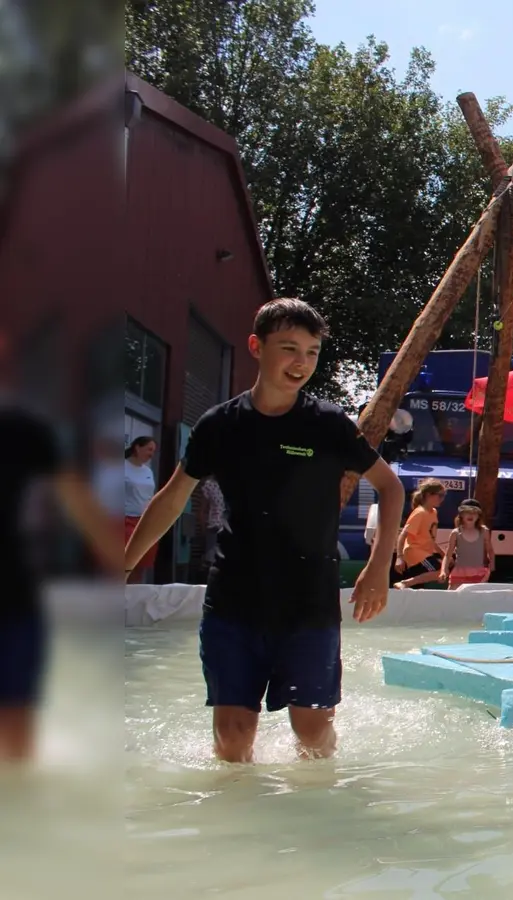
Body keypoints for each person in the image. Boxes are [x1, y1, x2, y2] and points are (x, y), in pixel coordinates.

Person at [122, 298, 403, 763]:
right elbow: (171, 498)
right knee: (232, 738)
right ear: (257, 346)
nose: (302, 363)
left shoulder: (329, 425)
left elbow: (390, 489)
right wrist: (124, 565)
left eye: (312, 352)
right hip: (234, 597)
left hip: (308, 601)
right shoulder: (220, 426)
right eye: (289, 348)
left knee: (312, 734)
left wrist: (378, 569)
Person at [0, 399, 122, 763]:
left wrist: (119, 564)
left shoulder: (23, 428)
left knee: (17, 725)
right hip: (16, 593)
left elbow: (78, 501)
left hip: (13, 592)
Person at [393, 479, 446, 589]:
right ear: (428, 495)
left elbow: (429, 537)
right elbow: (403, 535)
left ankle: (407, 586)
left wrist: (443, 554)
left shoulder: (433, 512)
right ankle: (405, 583)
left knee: (420, 584)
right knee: (440, 571)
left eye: (443, 496)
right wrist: (399, 557)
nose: (442, 499)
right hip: (415, 552)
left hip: (425, 553)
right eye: (440, 495)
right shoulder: (420, 512)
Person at [124, 436, 159, 582]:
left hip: (144, 521)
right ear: (137, 447)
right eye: (149, 449)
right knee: (125, 562)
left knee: (141, 562)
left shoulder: (148, 472)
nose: (151, 454)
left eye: (154, 451)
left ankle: (134, 599)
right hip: (124, 520)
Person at [441, 499, 493, 588]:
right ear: (461, 514)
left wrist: (490, 569)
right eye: (467, 512)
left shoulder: (484, 531)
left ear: (479, 516)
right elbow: (448, 554)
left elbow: (490, 551)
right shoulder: (456, 533)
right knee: (452, 599)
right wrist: (443, 570)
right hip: (459, 574)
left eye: (474, 512)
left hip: (479, 574)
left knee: (475, 600)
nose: (471, 515)